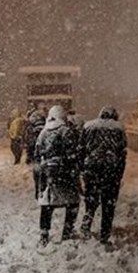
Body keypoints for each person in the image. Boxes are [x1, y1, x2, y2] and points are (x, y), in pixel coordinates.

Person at [34, 105, 83, 246]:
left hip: (47, 174)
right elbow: (72, 154)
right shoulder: (66, 131)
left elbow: (37, 155)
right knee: (72, 201)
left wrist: (40, 178)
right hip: (64, 173)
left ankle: (44, 233)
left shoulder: (43, 133)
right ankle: (67, 231)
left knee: (47, 204)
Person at [79, 106, 127, 247]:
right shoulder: (118, 129)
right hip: (110, 171)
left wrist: (83, 169)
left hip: (92, 169)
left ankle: (86, 224)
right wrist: (119, 174)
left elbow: (81, 149)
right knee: (108, 203)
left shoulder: (88, 126)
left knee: (91, 199)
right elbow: (122, 154)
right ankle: (104, 234)